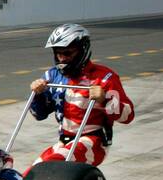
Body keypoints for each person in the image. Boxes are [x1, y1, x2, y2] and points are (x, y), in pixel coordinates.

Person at [28, 23, 134, 167]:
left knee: (50, 165)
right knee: (31, 173)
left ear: (82, 50)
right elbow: (38, 115)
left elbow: (128, 116)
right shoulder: (51, 75)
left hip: (94, 143)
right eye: (58, 53)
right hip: (64, 142)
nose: (62, 59)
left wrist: (105, 99)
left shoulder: (105, 77)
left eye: (67, 53)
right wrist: (37, 94)